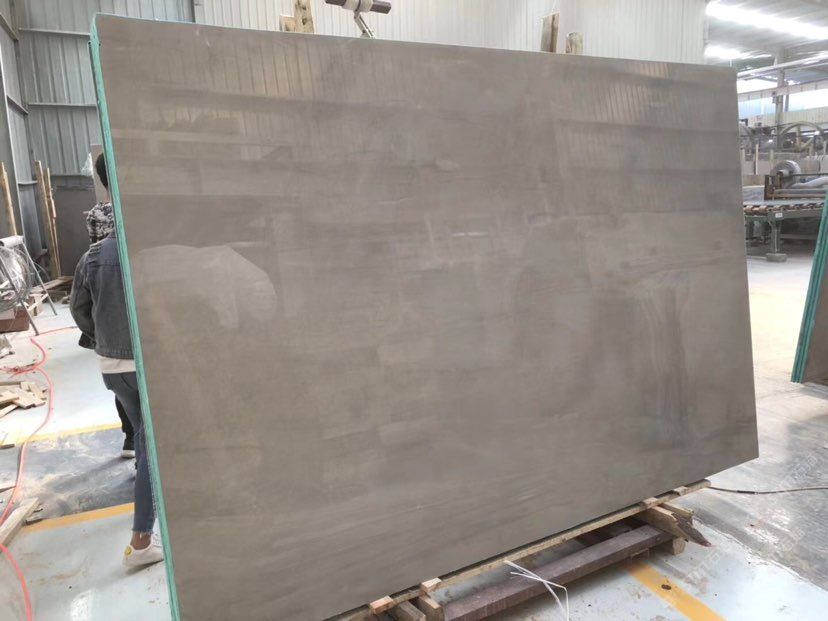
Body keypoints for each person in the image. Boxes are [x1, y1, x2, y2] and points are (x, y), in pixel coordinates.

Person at [70, 153, 162, 568]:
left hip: (114, 369)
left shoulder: (93, 256)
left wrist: (104, 338)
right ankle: (141, 542)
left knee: (143, 437)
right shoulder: (148, 251)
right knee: (150, 447)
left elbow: (79, 310)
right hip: (144, 365)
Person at [83, 189, 134, 459]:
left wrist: (101, 336)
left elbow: (79, 308)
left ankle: (130, 439)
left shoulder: (93, 249)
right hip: (148, 356)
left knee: (137, 422)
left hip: (114, 355)